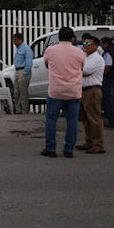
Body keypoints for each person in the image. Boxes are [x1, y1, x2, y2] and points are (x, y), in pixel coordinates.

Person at [41, 26, 86, 158]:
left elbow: (47, 64)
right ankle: (68, 149)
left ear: (59, 37)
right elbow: (82, 67)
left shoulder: (50, 50)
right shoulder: (80, 52)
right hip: (73, 91)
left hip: (56, 91)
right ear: (72, 38)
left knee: (51, 119)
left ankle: (50, 148)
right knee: (72, 121)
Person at [76, 34, 106, 154]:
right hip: (84, 90)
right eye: (84, 44)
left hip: (92, 90)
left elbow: (85, 70)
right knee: (86, 119)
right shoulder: (86, 57)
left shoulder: (97, 58)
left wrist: (77, 67)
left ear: (96, 45)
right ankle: (89, 141)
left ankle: (99, 144)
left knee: (94, 118)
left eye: (88, 44)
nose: (85, 46)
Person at [100, 36, 114, 128]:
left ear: (106, 43)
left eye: (101, 44)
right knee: (110, 98)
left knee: (108, 100)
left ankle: (112, 120)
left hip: (109, 78)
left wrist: (102, 74)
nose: (101, 46)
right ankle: (111, 119)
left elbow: (108, 65)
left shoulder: (108, 52)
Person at [11, 32, 34, 115]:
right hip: (17, 71)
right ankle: (18, 109)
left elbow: (29, 63)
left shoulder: (26, 49)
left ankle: (24, 110)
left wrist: (24, 72)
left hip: (23, 70)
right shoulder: (18, 48)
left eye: (15, 40)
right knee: (17, 91)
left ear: (20, 39)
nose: (14, 42)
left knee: (23, 91)